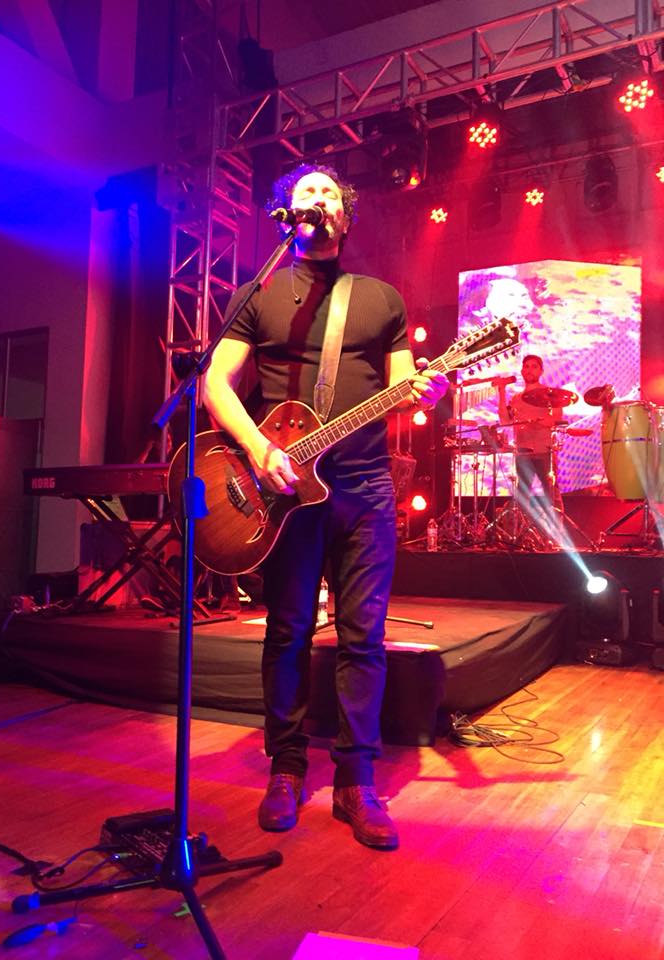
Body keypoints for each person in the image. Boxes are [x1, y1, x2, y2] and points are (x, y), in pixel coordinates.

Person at [202, 163, 449, 850]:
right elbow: (215, 384)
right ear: (286, 211)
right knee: (286, 632)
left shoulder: (380, 298)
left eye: (330, 193)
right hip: (283, 491)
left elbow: (404, 387)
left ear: (346, 214)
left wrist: (424, 392)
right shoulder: (259, 293)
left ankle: (356, 780)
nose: (318, 199)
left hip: (364, 487)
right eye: (306, 191)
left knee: (361, 636)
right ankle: (285, 768)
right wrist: (257, 449)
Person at [495, 354, 563, 499]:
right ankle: (522, 515)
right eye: (526, 367)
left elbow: (556, 420)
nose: (529, 370)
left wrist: (533, 421)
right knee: (522, 495)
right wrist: (501, 392)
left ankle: (555, 515)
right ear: (522, 371)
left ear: (541, 371)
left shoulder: (550, 394)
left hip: (545, 450)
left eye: (534, 367)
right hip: (523, 452)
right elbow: (505, 421)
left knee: (551, 493)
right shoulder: (516, 398)